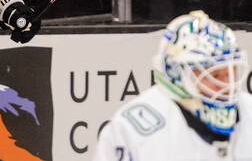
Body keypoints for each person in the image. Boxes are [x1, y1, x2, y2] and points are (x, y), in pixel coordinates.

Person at [93, 10, 252, 160]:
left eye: (231, 72)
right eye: (215, 75)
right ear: (177, 73)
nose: (227, 85)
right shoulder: (131, 130)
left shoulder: (248, 112)